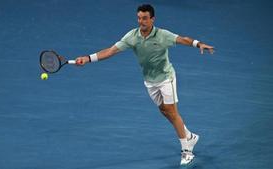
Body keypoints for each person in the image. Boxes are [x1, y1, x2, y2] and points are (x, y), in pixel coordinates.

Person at [75, 4, 214, 166]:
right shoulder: (132, 36)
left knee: (171, 111)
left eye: (145, 18)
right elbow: (110, 51)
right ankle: (189, 136)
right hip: (150, 81)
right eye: (139, 18)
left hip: (166, 78)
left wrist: (198, 44)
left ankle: (187, 150)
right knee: (164, 111)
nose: (141, 21)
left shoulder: (162, 35)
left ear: (152, 19)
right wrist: (87, 58)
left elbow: (183, 39)